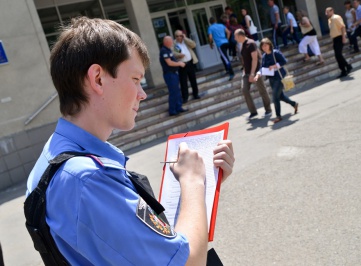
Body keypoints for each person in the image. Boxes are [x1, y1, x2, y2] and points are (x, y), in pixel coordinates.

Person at [26, 17, 236, 265]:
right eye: (136, 79)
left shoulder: (56, 154)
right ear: (98, 79)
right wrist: (194, 180)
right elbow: (188, 261)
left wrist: (205, 179)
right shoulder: (88, 179)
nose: (143, 93)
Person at [254, 38, 298, 124]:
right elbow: (262, 68)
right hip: (271, 79)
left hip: (280, 77)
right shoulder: (264, 56)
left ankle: (278, 116)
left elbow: (284, 61)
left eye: (266, 45)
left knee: (274, 97)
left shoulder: (276, 53)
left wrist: (274, 66)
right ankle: (294, 104)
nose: (264, 47)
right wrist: (257, 74)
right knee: (280, 96)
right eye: (262, 46)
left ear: (269, 45)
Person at [234, 29, 272, 119]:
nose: (235, 39)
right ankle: (253, 112)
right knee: (244, 90)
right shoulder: (241, 44)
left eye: (235, 37)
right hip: (246, 72)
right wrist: (244, 70)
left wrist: (252, 74)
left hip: (255, 72)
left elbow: (255, 59)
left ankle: (268, 110)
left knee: (262, 90)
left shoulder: (251, 43)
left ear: (240, 36)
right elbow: (244, 59)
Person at [160, 36, 188, 116]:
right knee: (173, 92)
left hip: (174, 73)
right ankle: (172, 110)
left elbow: (173, 60)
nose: (172, 42)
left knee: (177, 91)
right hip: (169, 74)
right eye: (171, 41)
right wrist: (179, 63)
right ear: (167, 42)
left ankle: (178, 107)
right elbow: (169, 63)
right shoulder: (164, 51)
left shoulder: (169, 50)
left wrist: (178, 61)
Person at [173, 30, 201, 103]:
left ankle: (196, 94)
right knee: (183, 81)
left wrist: (185, 38)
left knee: (193, 79)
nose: (179, 37)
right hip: (182, 64)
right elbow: (173, 53)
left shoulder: (186, 41)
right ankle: (185, 97)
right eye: (177, 36)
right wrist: (179, 55)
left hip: (190, 62)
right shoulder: (174, 44)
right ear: (175, 37)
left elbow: (193, 45)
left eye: (181, 35)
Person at [326, 7, 353, 78]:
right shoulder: (329, 20)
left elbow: (342, 27)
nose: (327, 14)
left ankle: (347, 66)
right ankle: (343, 70)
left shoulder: (336, 18)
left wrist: (344, 37)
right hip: (335, 38)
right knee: (337, 55)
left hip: (339, 37)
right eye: (326, 12)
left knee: (338, 54)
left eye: (328, 12)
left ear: (332, 11)